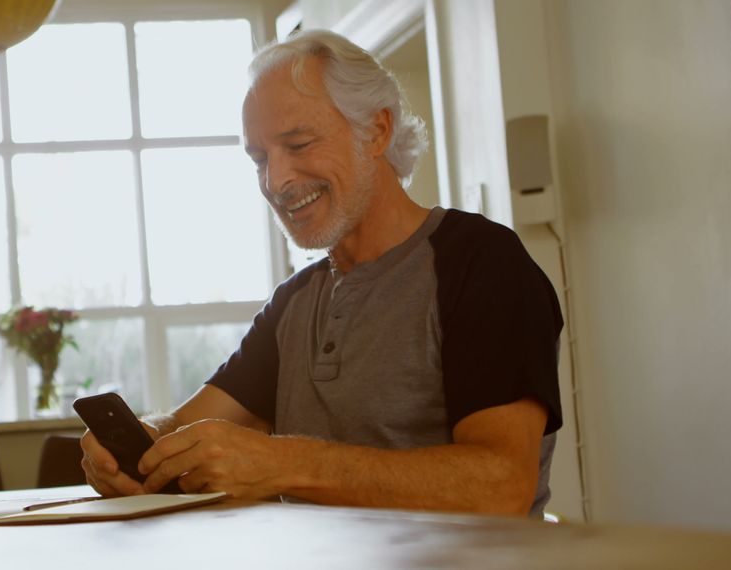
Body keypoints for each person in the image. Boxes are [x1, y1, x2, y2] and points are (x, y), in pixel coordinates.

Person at [80, 30, 564, 517]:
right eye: (260, 159)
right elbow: (181, 427)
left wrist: (283, 462)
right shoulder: (294, 303)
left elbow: (501, 485)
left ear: (376, 131)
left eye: (298, 143)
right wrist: (140, 443)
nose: (276, 180)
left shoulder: (481, 262)